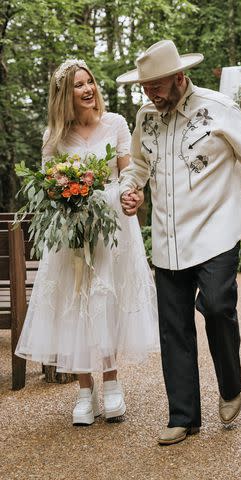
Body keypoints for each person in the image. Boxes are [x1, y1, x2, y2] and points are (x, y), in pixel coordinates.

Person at [117, 40, 241, 445]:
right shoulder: (146, 117)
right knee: (174, 329)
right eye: (144, 85)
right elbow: (137, 165)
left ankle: (231, 384)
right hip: (168, 240)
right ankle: (183, 417)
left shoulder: (220, 109)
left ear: (179, 77)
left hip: (216, 231)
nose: (149, 91)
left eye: (156, 84)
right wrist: (130, 189)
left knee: (219, 307)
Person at [15, 59, 159, 426]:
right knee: (75, 300)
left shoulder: (116, 124)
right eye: (79, 85)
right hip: (71, 230)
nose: (88, 89)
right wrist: (62, 193)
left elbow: (129, 171)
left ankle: (111, 384)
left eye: (89, 82)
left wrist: (132, 194)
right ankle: (83, 389)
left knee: (105, 298)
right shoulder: (55, 136)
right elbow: (47, 185)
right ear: (65, 94)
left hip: (110, 227)